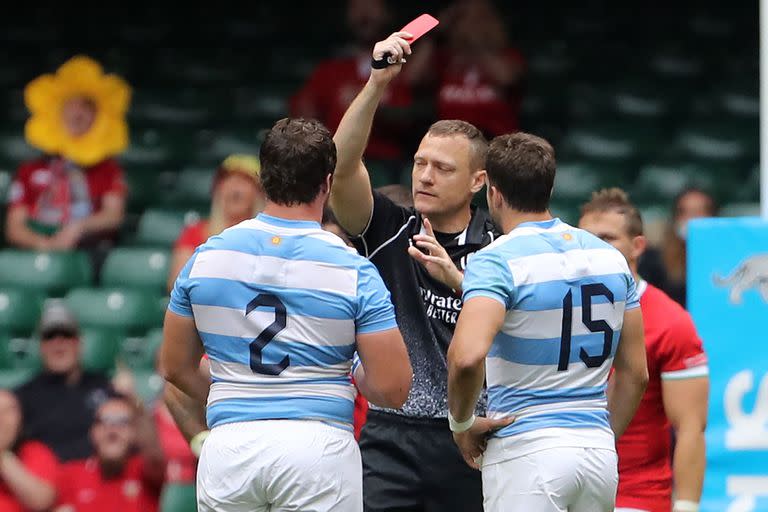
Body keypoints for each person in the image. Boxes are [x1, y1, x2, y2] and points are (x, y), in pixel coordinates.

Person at [161, 117, 412, 512]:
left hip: (231, 447)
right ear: (327, 184)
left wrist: (243, 392)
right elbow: (394, 389)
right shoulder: (352, 269)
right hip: (317, 448)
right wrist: (353, 371)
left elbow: (174, 368)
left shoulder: (205, 257)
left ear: (263, 180)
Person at [330, 32, 500, 511]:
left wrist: (462, 284)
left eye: (442, 169)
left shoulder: (501, 249)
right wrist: (377, 83)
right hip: (391, 439)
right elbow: (341, 169)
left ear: (477, 182)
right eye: (420, 163)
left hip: (472, 438)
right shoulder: (388, 226)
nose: (424, 176)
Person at [446, 133, 649, 512]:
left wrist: (461, 424)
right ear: (550, 187)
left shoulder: (495, 260)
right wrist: (601, 437)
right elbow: (636, 374)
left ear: (493, 191)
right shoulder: (610, 258)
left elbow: (466, 357)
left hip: (527, 450)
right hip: (597, 452)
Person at [579, 188, 709, 512]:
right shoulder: (552, 309)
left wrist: (688, 505)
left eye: (607, 238)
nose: (593, 249)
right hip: (563, 488)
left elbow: (691, 427)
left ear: (638, 246)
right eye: (584, 239)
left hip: (635, 497)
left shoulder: (670, 321)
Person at [6, 56, 129, 256]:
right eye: (71, 106)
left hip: (86, 253)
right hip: (36, 250)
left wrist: (78, 227)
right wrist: (43, 245)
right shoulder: (30, 170)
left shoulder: (108, 168)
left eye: (86, 107)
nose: (78, 114)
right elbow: (14, 226)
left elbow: (113, 215)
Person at [291, 0, 433, 164]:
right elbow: (303, 113)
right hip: (338, 162)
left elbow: (411, 117)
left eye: (372, 5)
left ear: (388, 12)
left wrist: (366, 101)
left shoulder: (407, 65)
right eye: (356, 6)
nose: (364, 13)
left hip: (391, 164)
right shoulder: (329, 69)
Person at [15, 300, 113, 462]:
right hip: (44, 480)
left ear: (78, 342)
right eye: (50, 336)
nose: (58, 343)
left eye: (66, 335)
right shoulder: (22, 398)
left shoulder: (105, 389)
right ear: (40, 345)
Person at [167, 154, 266, 290]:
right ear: (217, 190)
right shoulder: (195, 232)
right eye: (228, 180)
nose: (235, 189)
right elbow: (177, 285)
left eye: (245, 182)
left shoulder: (268, 239)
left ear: (258, 193)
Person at [55, 393, 166, 512]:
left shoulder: (146, 471)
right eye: (105, 421)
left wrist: (136, 403)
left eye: (122, 421)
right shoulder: (71, 475)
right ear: (93, 432)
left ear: (134, 433)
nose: (113, 429)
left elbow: (155, 455)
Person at [431, 0, 526, 138]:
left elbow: (506, 78)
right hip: (450, 143)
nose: (472, 24)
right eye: (465, 18)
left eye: (479, 18)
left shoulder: (510, 56)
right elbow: (412, 78)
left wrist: (476, 42)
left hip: (497, 145)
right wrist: (434, 34)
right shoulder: (445, 58)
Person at [0, 390, 58, 512]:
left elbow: (41, 501)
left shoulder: (34, 452)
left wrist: (3, 455)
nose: (1, 418)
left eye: (9, 411)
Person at [660, 187, 719, 307]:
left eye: (698, 212)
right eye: (685, 212)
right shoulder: (657, 262)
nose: (691, 218)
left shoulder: (721, 258)